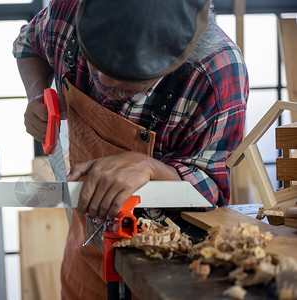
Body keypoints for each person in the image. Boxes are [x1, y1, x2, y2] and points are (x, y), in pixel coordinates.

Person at [13, 0, 249, 298]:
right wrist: (37, 95)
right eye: (96, 64)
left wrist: (151, 170)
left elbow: (211, 189)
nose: (103, 81)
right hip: (86, 257)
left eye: (128, 82)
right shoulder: (69, 11)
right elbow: (28, 44)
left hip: (169, 273)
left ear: (178, 58)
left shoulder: (217, 72)